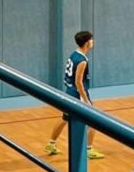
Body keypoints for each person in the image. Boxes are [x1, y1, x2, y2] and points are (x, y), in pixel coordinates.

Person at [45, 31, 105, 159]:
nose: (93, 42)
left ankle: (51, 144)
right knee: (94, 120)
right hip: (77, 94)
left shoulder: (74, 54)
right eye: (91, 40)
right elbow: (78, 82)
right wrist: (85, 99)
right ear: (87, 43)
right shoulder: (82, 61)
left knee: (65, 118)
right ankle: (88, 149)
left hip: (69, 91)